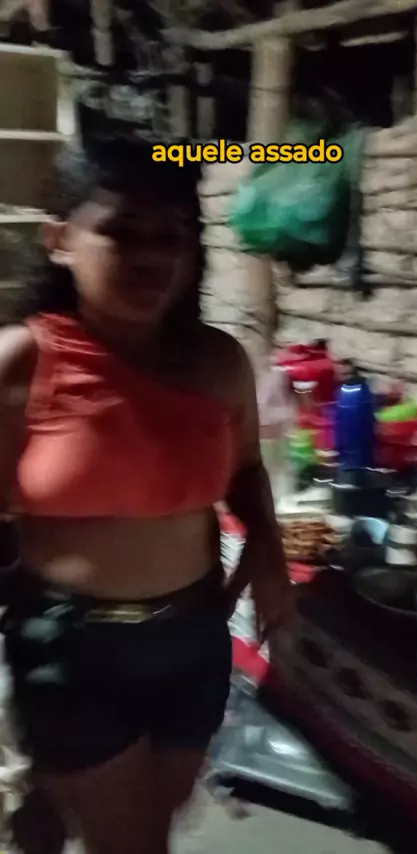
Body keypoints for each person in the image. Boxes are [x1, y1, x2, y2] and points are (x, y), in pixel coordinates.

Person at [0, 136, 293, 854]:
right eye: (122, 232)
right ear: (60, 240)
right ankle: (45, 782)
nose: (152, 256)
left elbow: (245, 469)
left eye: (171, 236)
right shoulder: (23, 365)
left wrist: (268, 549)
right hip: (73, 647)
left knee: (153, 822)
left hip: (194, 638)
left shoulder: (218, 362)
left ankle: (45, 795)